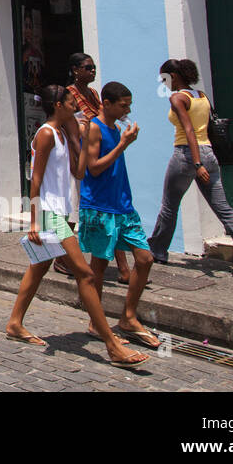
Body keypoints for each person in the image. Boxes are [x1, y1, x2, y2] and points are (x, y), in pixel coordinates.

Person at [5, 85, 148, 367]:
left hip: (62, 211)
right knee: (84, 274)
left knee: (38, 269)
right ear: (58, 105)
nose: (76, 105)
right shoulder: (45, 134)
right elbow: (34, 179)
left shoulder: (62, 133)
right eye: (71, 101)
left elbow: (80, 172)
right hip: (48, 213)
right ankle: (112, 344)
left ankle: (14, 323)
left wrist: (77, 139)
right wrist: (34, 219)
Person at [149, 58, 233, 279]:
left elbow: (189, 130)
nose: (163, 83)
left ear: (173, 77)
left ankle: (156, 250)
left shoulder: (177, 98)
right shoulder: (201, 96)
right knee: (225, 210)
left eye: (164, 78)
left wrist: (196, 164)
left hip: (186, 155)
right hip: (209, 153)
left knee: (169, 206)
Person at [77, 81, 160, 348]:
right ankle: (95, 321)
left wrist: (123, 141)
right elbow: (94, 168)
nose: (128, 109)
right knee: (99, 266)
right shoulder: (95, 129)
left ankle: (128, 317)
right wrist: (123, 144)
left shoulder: (115, 127)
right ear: (107, 104)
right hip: (99, 207)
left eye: (129, 104)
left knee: (145, 258)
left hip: (123, 205)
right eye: (123, 105)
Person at [60, 53, 131, 285]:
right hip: (81, 157)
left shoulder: (93, 94)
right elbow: (72, 125)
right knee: (75, 209)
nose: (92, 71)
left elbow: (101, 119)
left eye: (93, 67)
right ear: (75, 70)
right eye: (87, 67)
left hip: (98, 152)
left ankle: (123, 268)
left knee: (107, 207)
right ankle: (62, 255)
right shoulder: (70, 94)